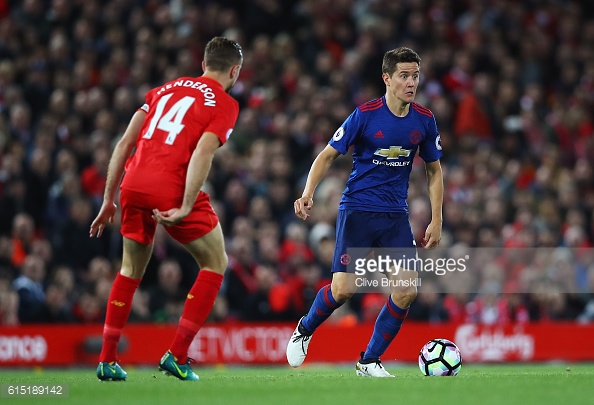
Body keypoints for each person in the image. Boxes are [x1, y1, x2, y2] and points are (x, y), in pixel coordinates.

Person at [89, 37, 243, 381]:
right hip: (170, 185)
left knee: (130, 270)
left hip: (132, 184)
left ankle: (106, 359)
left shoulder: (163, 90)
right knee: (215, 262)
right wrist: (186, 205)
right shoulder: (224, 103)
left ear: (204, 64)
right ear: (234, 71)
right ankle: (177, 354)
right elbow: (203, 152)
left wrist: (107, 199)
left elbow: (126, 142)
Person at [286, 47, 443, 377]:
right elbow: (328, 155)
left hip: (395, 215)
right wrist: (308, 192)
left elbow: (434, 170)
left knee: (406, 291)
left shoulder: (424, 120)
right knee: (343, 290)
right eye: (404, 75)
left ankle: (369, 361)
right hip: (358, 209)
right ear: (387, 78)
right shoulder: (366, 114)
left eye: (415, 75)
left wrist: (437, 216)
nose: (411, 82)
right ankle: (305, 328)